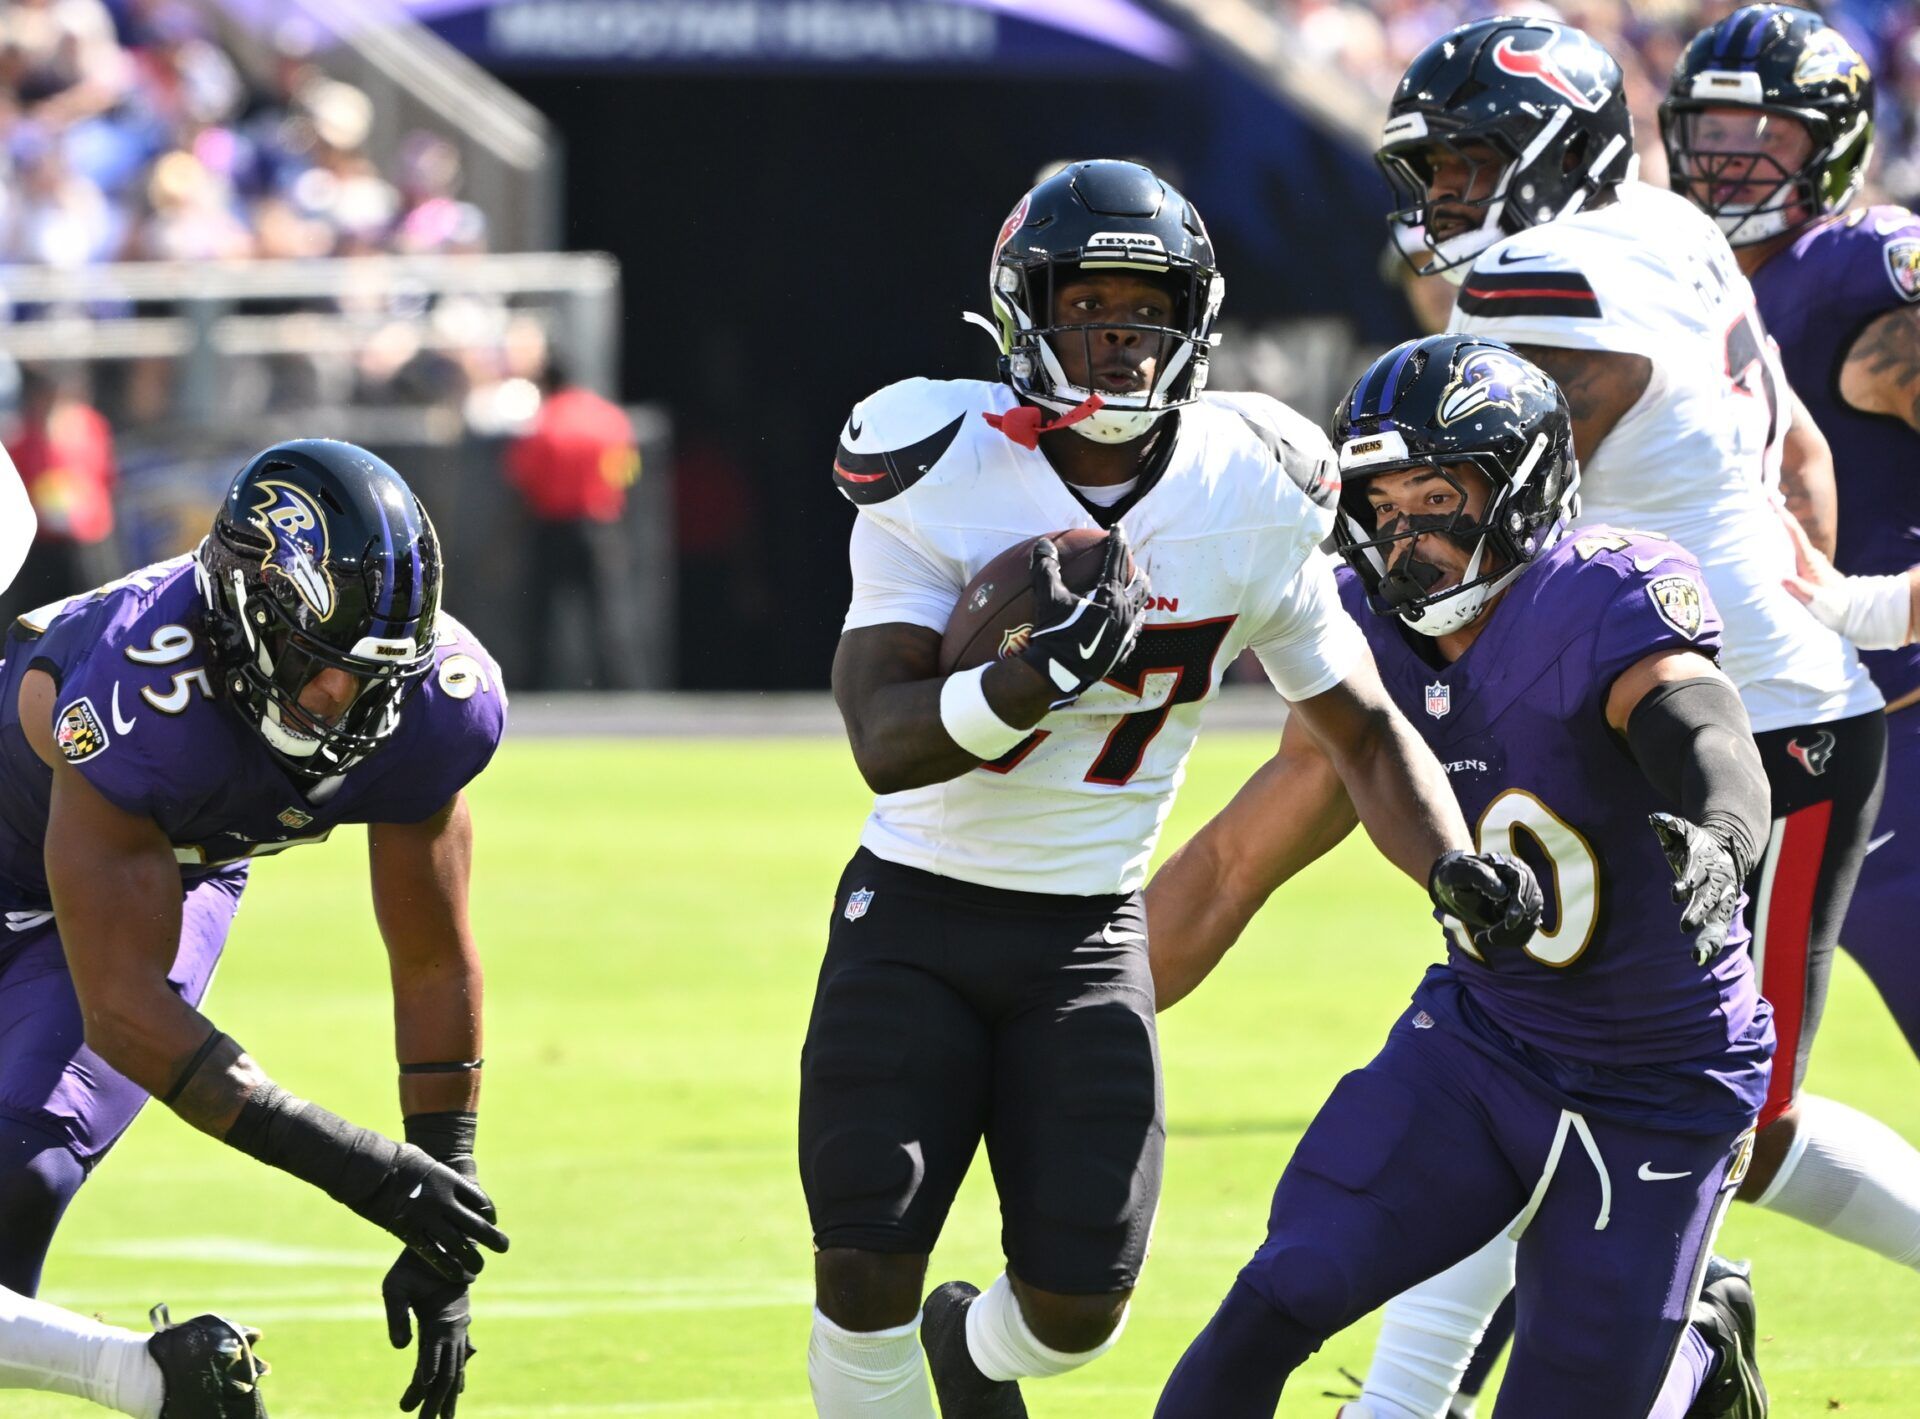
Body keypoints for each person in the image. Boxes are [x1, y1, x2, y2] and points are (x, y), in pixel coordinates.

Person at [803, 159, 1541, 1419]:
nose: (1118, 334)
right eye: (1086, 302)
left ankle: (967, 1354)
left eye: (1145, 307)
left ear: (1191, 318)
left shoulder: (1249, 482)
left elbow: (1359, 727)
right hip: (917, 910)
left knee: (1077, 1313)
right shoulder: (937, 455)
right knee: (864, 1259)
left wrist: (1451, 862)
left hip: (1092, 930)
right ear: (1022, 310)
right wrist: (1027, 684)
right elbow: (882, 736)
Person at [1345, 17, 1919, 1415]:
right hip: (1700, 701)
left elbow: (1484, 516)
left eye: (1478, 159)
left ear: (1558, 149)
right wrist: (1812, 597)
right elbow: (1792, 443)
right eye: (1439, 164)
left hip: (1747, 737)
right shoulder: (1664, 226)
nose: (1450, 194)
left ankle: (1641, 1358)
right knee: (1551, 1074)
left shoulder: (1549, 279)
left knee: (1674, 1111)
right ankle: (1469, 1388)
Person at [1151, 334, 1773, 1419]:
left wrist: (1723, 829)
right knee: (1282, 1291)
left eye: (1436, 495)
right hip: (1484, 1047)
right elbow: (1229, 865)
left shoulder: (1595, 596)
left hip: (1662, 1083)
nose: (1407, 537)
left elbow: (1699, 719)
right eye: (1382, 507)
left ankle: (1699, 1363)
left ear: (1522, 485)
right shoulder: (1361, 634)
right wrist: (1089, 1004)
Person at [0, 440, 509, 1419]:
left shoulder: (433, 707)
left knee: (18, 1169)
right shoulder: (135, 693)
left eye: (376, 674)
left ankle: (150, 1380)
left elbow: (432, 956)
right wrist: (359, 1170)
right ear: (246, 617)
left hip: (160, 873)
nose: (346, 702)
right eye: (323, 667)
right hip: (63, 862)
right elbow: (124, 1017)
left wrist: (444, 1198)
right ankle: (152, 1378)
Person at [1663, 0, 1920, 1267]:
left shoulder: (1855, 273)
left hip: (1893, 728)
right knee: (1666, 1081)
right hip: (1775, 734)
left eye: (1760, 130)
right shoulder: (1685, 277)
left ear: (1828, 144)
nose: (1728, 156)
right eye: (1708, 127)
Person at [504, 359, 642, 689]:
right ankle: (622, 687)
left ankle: (535, 687)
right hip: (600, 524)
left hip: (553, 526)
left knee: (541, 616)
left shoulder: (545, 422)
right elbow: (627, 471)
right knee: (609, 614)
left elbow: (524, 480)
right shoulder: (610, 418)